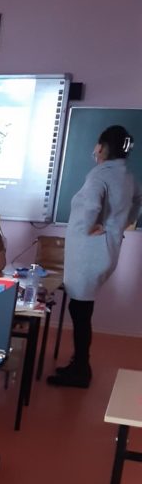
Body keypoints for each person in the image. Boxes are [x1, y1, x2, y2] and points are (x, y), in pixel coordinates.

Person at [48, 125, 141, 388]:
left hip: (89, 253)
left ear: (102, 147)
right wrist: (122, 223)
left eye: (97, 145)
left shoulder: (100, 174)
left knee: (79, 310)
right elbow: (138, 200)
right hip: (107, 249)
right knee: (81, 309)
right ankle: (79, 363)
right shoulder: (126, 176)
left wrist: (89, 226)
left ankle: (81, 369)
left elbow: (91, 205)